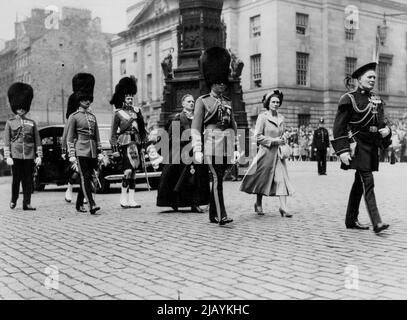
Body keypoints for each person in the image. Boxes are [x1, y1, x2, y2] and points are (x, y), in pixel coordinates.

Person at [331, 62, 391, 233]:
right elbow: (339, 127)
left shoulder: (376, 100)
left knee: (359, 182)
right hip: (356, 145)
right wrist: (342, 150)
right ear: (358, 79)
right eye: (369, 77)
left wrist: (388, 131)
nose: (373, 80)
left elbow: (382, 123)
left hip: (371, 145)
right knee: (368, 180)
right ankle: (377, 221)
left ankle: (350, 220)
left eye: (374, 77)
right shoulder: (348, 99)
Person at [191, 47, 240, 226]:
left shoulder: (227, 101)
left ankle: (212, 215)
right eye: (219, 82)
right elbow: (195, 127)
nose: (223, 85)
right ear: (212, 82)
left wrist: (236, 147)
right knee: (218, 180)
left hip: (226, 147)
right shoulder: (202, 101)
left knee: (219, 180)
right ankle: (221, 215)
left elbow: (232, 125)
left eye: (223, 82)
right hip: (211, 147)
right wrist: (197, 149)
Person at [240, 90, 294, 217]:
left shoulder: (281, 118)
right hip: (266, 154)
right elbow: (257, 137)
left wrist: (284, 137)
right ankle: (258, 203)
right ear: (268, 103)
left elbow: (282, 133)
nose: (276, 104)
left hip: (278, 155)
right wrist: (274, 140)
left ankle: (283, 207)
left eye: (278, 102)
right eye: (273, 102)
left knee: (281, 180)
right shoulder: (262, 117)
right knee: (262, 179)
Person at [157, 94, 210, 212]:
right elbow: (172, 137)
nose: (192, 103)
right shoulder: (178, 118)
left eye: (193, 101)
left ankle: (195, 203)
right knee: (179, 177)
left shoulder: (198, 118)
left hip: (196, 150)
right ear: (183, 104)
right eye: (189, 101)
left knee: (197, 177)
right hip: (182, 152)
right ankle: (176, 202)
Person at [66, 73, 102, 215]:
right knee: (85, 177)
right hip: (80, 150)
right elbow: (70, 137)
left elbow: (97, 136)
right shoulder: (74, 117)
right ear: (79, 100)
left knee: (91, 177)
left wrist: (99, 153)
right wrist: (71, 155)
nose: (87, 101)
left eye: (89, 99)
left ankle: (79, 202)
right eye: (84, 99)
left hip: (92, 150)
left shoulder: (92, 117)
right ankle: (91, 204)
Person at [110, 76, 148, 208]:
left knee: (133, 173)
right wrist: (114, 150)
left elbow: (142, 131)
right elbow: (114, 133)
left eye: (132, 97)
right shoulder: (118, 113)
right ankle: (123, 197)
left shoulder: (138, 111)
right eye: (128, 98)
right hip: (125, 144)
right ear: (123, 99)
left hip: (135, 144)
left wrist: (143, 146)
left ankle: (131, 199)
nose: (130, 100)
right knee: (127, 171)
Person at [4, 83, 42, 210]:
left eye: (23, 108)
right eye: (18, 108)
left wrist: (39, 156)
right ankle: (14, 199)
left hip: (29, 154)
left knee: (28, 180)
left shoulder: (32, 123)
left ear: (26, 108)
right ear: (15, 108)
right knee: (16, 180)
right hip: (16, 155)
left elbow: (37, 140)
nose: (20, 110)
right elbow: (7, 141)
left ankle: (27, 203)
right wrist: (7, 156)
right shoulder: (10, 123)